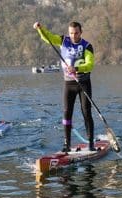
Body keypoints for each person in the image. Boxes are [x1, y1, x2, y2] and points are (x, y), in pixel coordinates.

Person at [33, 21, 95, 152]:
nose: (73, 36)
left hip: (83, 83)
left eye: (76, 33)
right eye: (71, 33)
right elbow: (48, 37)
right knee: (67, 113)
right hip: (69, 83)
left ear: (81, 32)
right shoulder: (63, 40)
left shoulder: (87, 46)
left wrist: (76, 68)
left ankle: (90, 143)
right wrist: (40, 29)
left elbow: (90, 65)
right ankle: (67, 144)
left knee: (86, 112)